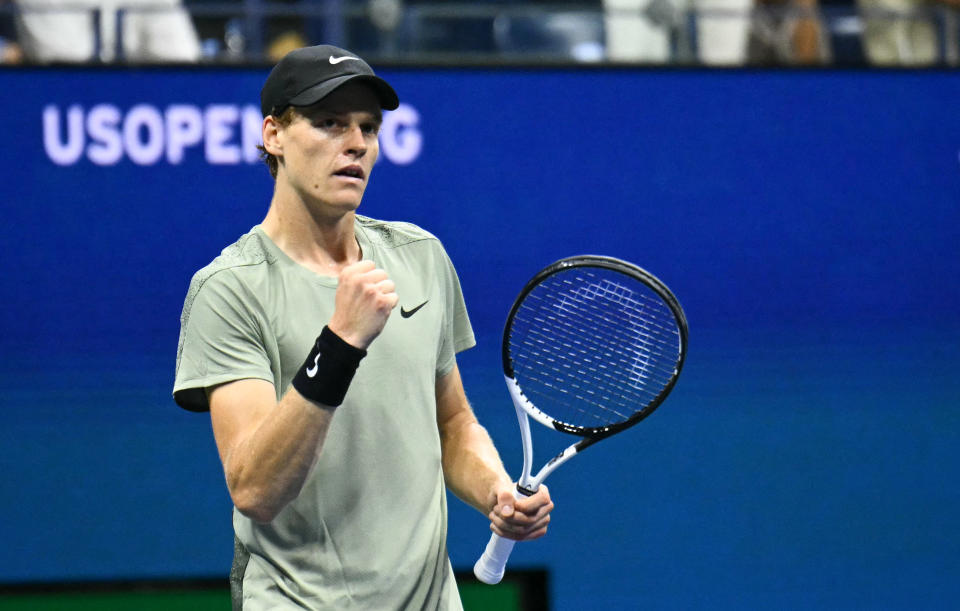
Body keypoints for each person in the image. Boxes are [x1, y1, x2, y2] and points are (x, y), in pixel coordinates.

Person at [172, 44, 554, 610]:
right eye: (328, 123)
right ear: (274, 135)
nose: (355, 143)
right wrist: (341, 342)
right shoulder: (229, 289)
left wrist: (494, 490)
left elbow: (452, 422)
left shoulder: (421, 256)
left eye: (368, 128)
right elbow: (255, 489)